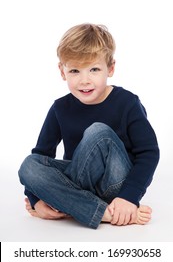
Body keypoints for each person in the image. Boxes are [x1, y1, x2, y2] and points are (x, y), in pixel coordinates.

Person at [18, 23, 160, 229]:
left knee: (98, 131)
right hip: (76, 183)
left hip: (115, 183)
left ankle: (70, 205)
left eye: (94, 69)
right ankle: (103, 213)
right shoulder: (60, 108)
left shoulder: (127, 102)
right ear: (62, 71)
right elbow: (42, 154)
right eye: (75, 70)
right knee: (29, 165)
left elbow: (149, 152)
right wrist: (35, 199)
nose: (85, 80)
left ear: (110, 68)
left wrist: (129, 197)